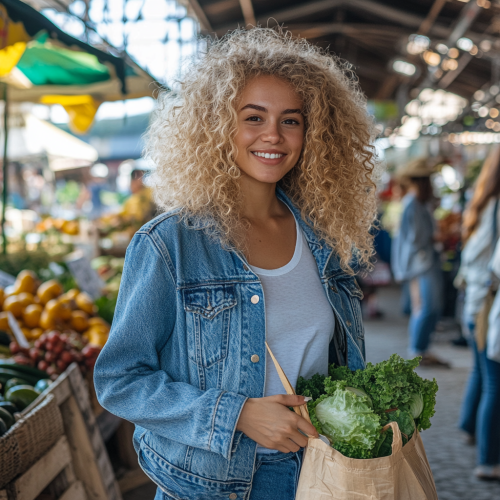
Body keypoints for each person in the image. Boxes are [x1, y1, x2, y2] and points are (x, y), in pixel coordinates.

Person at [93, 28, 377, 500]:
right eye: (254, 117)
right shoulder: (170, 244)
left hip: (319, 474)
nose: (273, 136)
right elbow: (120, 380)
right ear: (217, 124)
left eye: (291, 120)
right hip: (211, 486)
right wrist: (237, 414)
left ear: (313, 133)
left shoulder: (323, 238)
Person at [457, 145, 500, 480]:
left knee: (483, 374)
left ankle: (467, 425)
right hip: (488, 308)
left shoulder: (483, 202)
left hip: (474, 305)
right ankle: (489, 461)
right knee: (494, 384)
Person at [391, 159, 448, 366]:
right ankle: (418, 350)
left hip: (421, 263)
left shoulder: (416, 204)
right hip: (420, 264)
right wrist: (436, 237)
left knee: (424, 307)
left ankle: (421, 349)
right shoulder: (412, 205)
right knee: (425, 307)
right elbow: (416, 238)